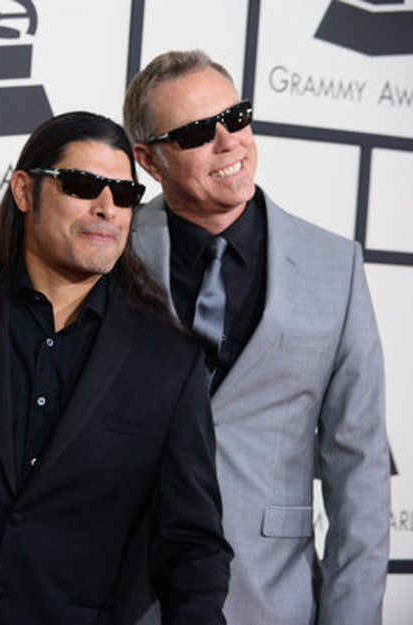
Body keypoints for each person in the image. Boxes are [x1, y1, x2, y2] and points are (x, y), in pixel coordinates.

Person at [121, 50, 390, 625]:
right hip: (124, 592)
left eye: (236, 117)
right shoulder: (112, 251)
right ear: (149, 160)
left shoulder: (334, 266)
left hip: (271, 596)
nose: (229, 143)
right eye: (196, 132)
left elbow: (360, 469)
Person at [0, 111, 230, 625]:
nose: (107, 209)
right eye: (82, 185)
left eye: (124, 195)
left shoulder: (169, 361)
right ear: (24, 191)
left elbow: (192, 547)